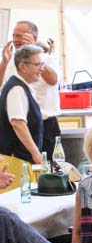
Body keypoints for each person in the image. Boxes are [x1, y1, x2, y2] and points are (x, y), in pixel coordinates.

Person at [0, 21, 61, 161]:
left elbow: (53, 80)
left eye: (20, 36)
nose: (15, 39)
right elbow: (17, 122)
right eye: (13, 35)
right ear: (22, 67)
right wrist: (4, 62)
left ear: (34, 37)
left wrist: (35, 56)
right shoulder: (15, 76)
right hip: (21, 129)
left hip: (45, 123)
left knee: (49, 167)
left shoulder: (47, 59)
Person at [0, 44, 45, 173]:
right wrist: (36, 153)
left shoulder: (21, 87)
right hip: (15, 161)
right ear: (23, 67)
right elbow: (17, 123)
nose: (42, 69)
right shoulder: (16, 89)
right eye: (37, 65)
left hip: (20, 160)